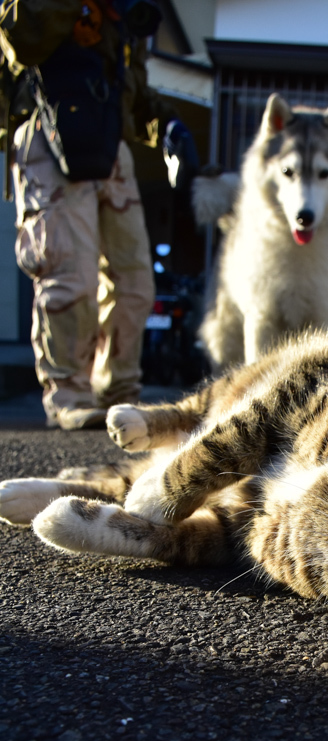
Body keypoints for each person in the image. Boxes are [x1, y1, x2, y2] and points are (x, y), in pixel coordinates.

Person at [0, 0, 197, 429]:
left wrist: (168, 127)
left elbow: (135, 94)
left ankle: (119, 394)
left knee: (136, 283)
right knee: (70, 272)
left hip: (111, 143)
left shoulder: (122, 15)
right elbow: (18, 37)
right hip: (47, 131)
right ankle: (68, 394)